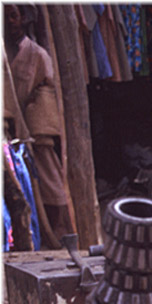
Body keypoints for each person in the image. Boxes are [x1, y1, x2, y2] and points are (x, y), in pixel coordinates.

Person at [3, 4, 75, 242]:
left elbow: (47, 92)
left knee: (50, 184)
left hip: (35, 132)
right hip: (10, 133)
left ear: (24, 18)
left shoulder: (37, 54)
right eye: (6, 16)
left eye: (13, 15)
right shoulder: (6, 52)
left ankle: (60, 235)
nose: (9, 20)